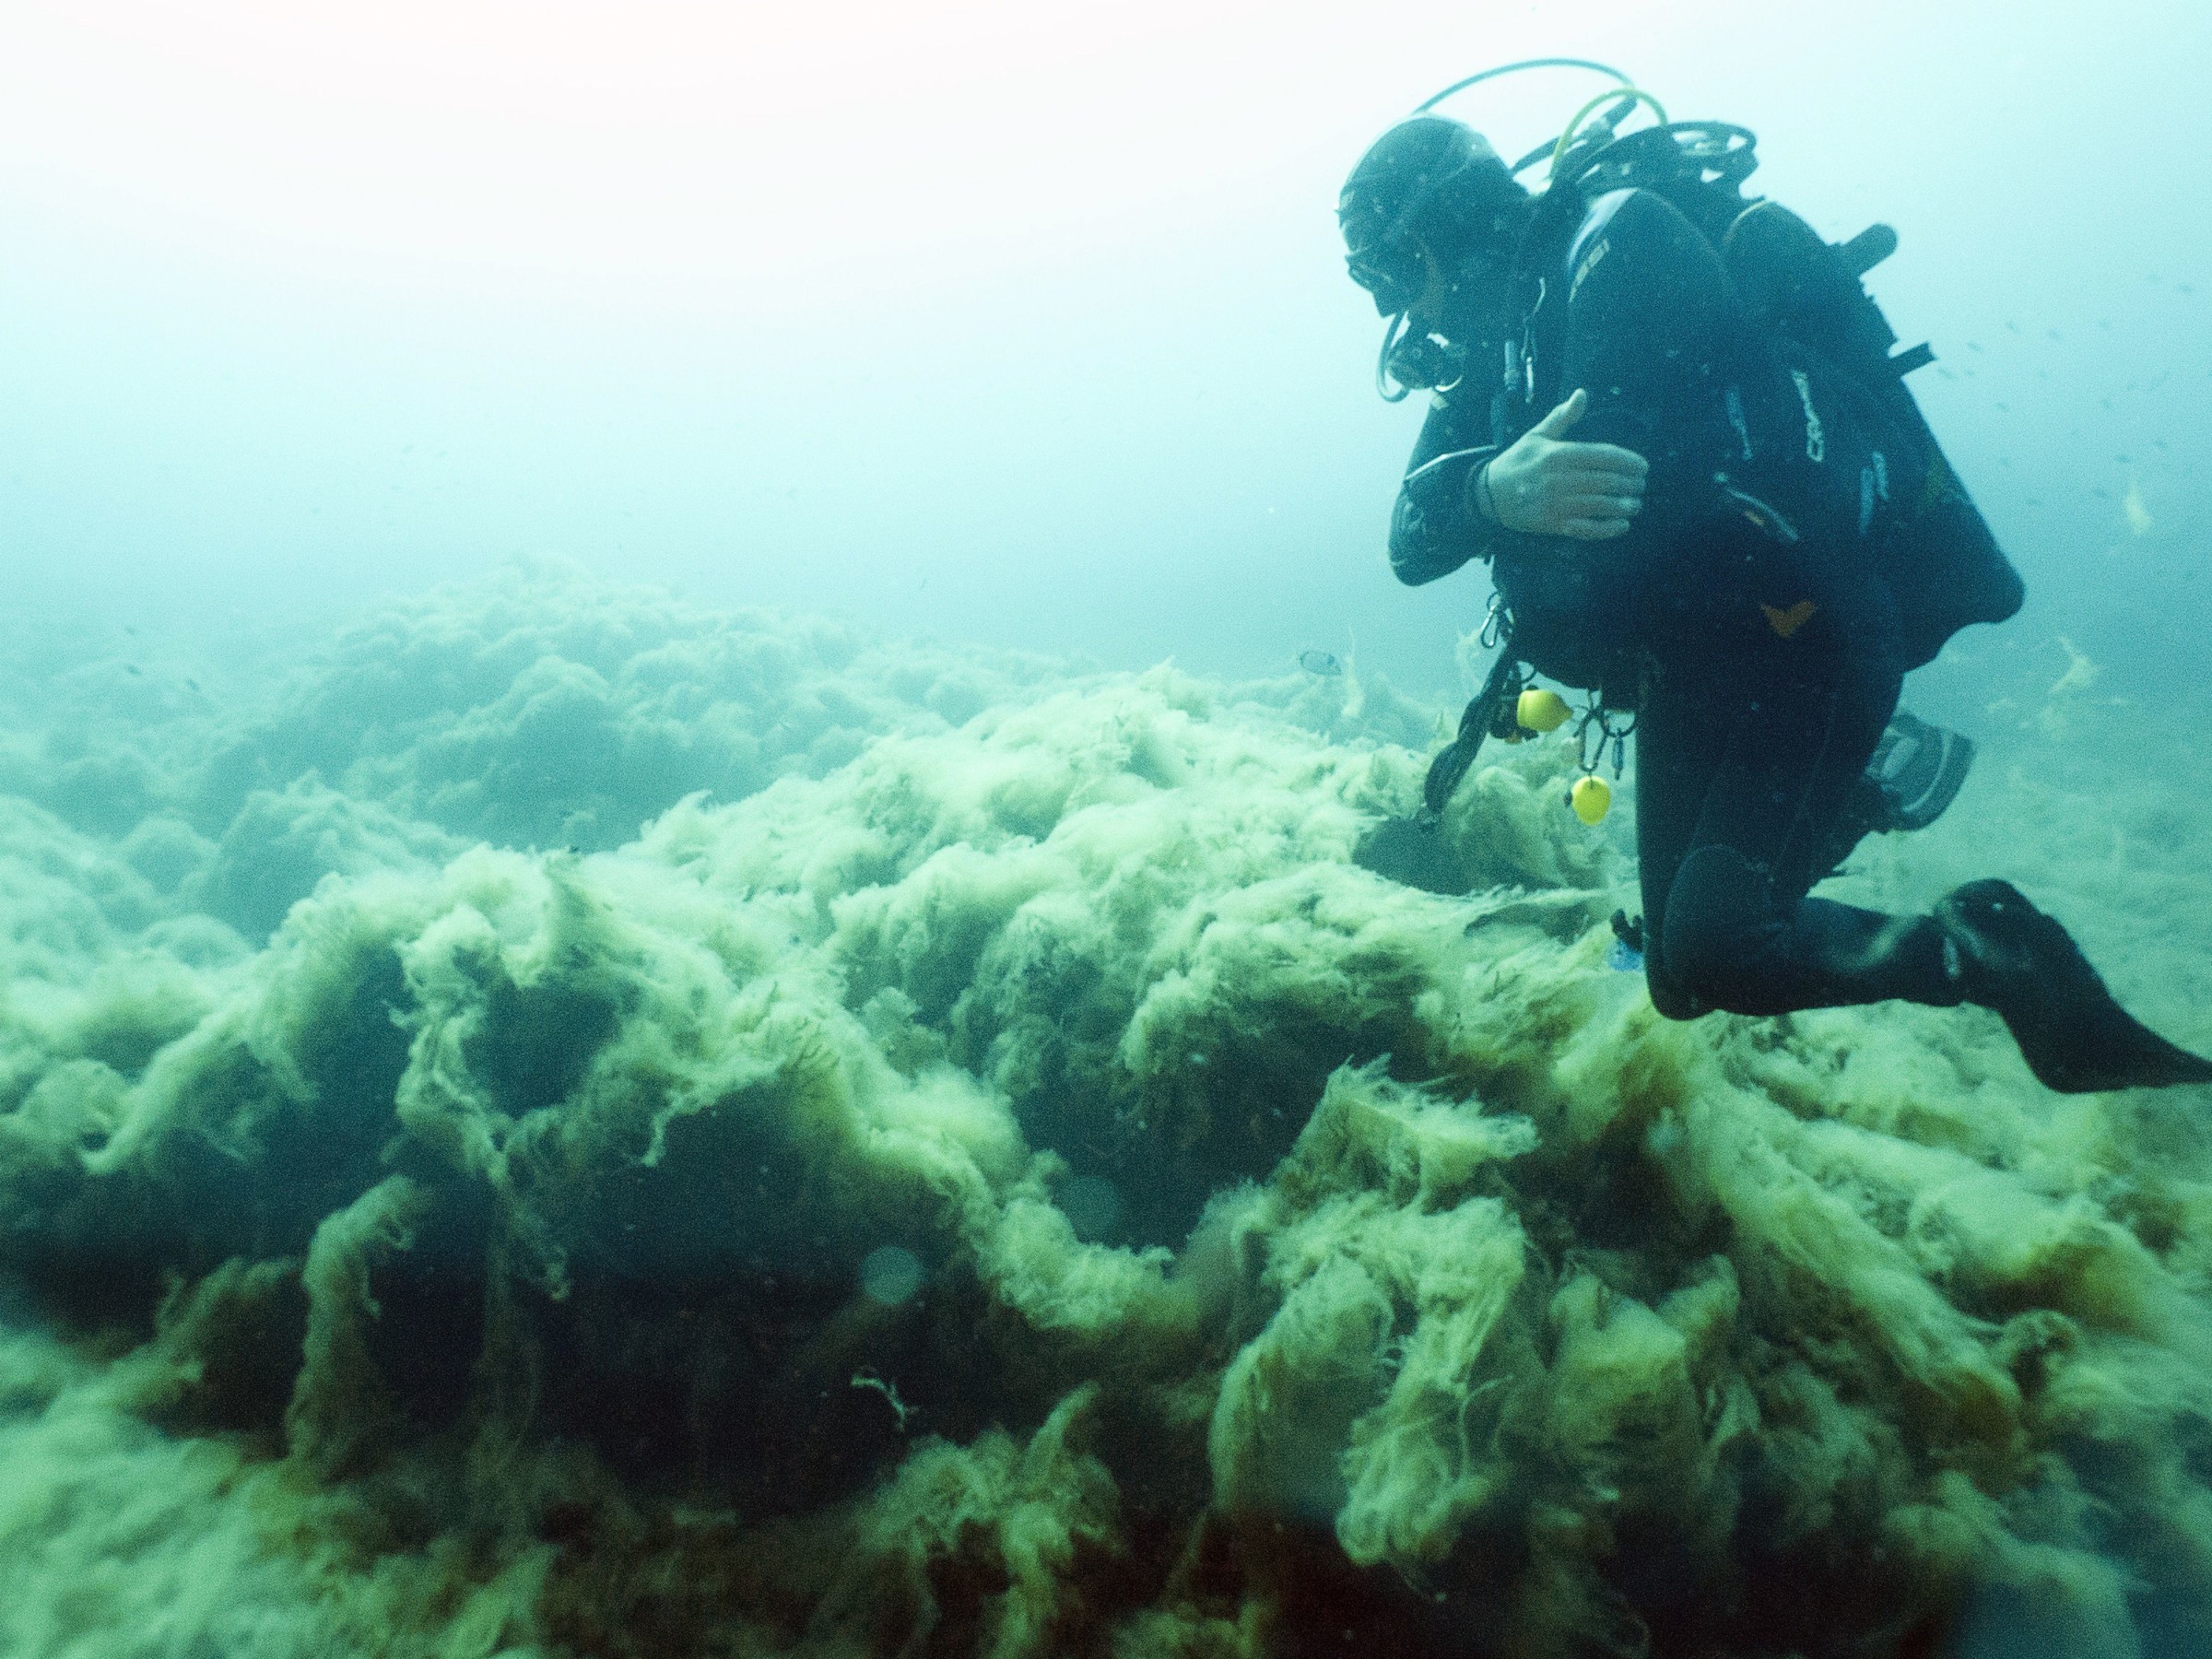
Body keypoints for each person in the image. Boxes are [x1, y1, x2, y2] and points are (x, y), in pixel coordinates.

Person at [1339, 110, 2212, 1093]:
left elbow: (1617, 496)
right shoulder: (1505, 352)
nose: (1392, 316)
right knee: (1679, 978)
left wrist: (1505, 500)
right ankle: (1897, 834)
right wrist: (1491, 491)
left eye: (1386, 275)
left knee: (1718, 944)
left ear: (1444, 229)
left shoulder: (1618, 241)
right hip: (1692, 663)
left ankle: (1995, 951)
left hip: (1804, 635)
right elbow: (1409, 546)